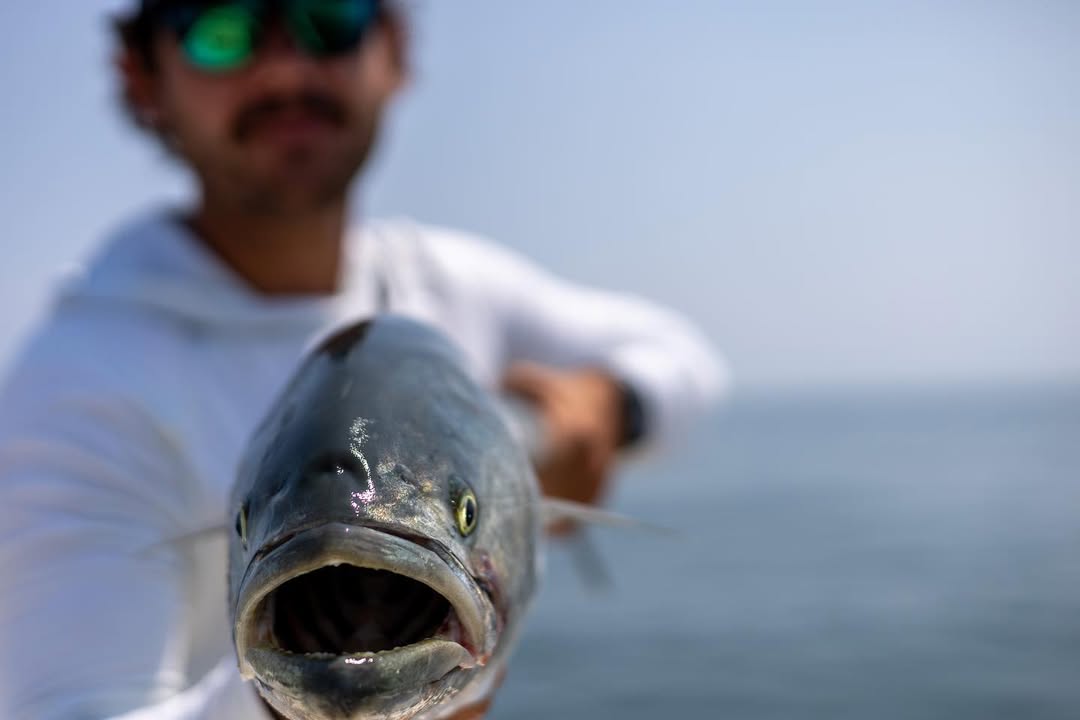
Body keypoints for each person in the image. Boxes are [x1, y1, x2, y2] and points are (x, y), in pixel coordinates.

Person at [0, 1, 725, 718]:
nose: (285, 66)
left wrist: (602, 412)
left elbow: (685, 359)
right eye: (222, 31)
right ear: (142, 76)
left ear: (395, 51)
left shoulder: (445, 279)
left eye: (330, 16)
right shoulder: (78, 388)